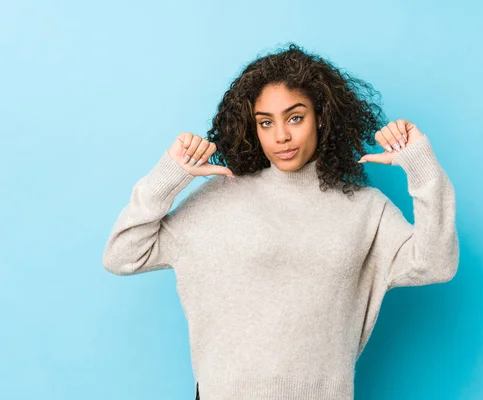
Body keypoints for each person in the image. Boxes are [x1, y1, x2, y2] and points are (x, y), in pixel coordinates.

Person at [102, 43, 459, 400]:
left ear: (321, 117)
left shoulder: (365, 210)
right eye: (266, 123)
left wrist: (421, 166)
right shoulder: (219, 198)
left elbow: (436, 264)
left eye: (295, 117)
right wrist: (170, 176)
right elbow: (122, 255)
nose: (281, 136)